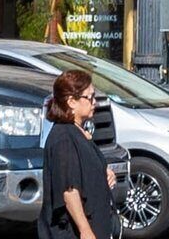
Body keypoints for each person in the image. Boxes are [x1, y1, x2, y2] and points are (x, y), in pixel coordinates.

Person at [39, 71, 116, 239]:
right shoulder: (64, 139)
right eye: (89, 97)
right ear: (72, 102)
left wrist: (104, 173)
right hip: (73, 232)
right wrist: (85, 230)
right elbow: (69, 190)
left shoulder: (78, 132)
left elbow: (83, 169)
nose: (94, 102)